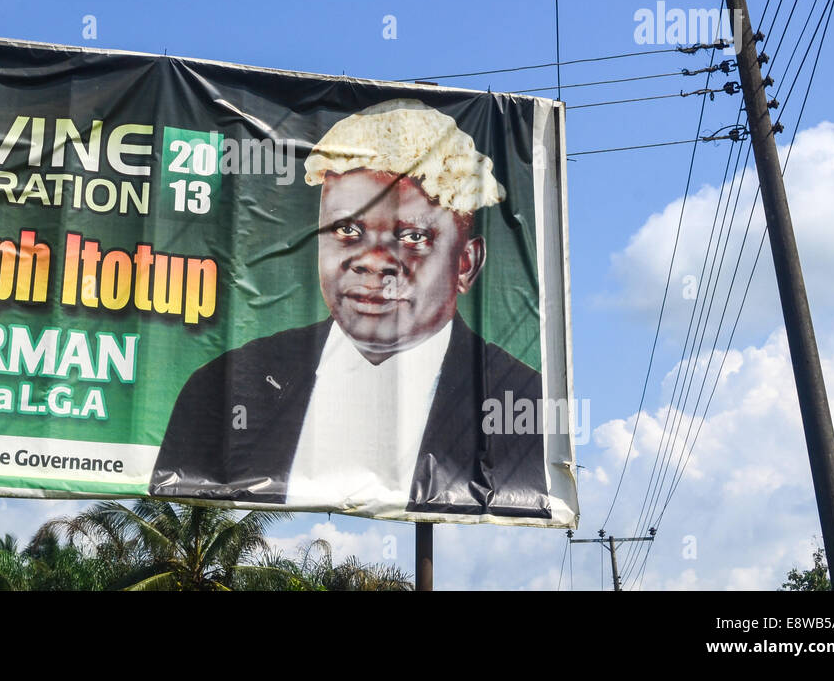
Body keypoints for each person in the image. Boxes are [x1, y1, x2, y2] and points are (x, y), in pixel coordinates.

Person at [150, 99, 550, 519]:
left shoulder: (521, 408)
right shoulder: (223, 388)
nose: (373, 260)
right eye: (346, 229)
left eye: (413, 236)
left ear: (465, 263)